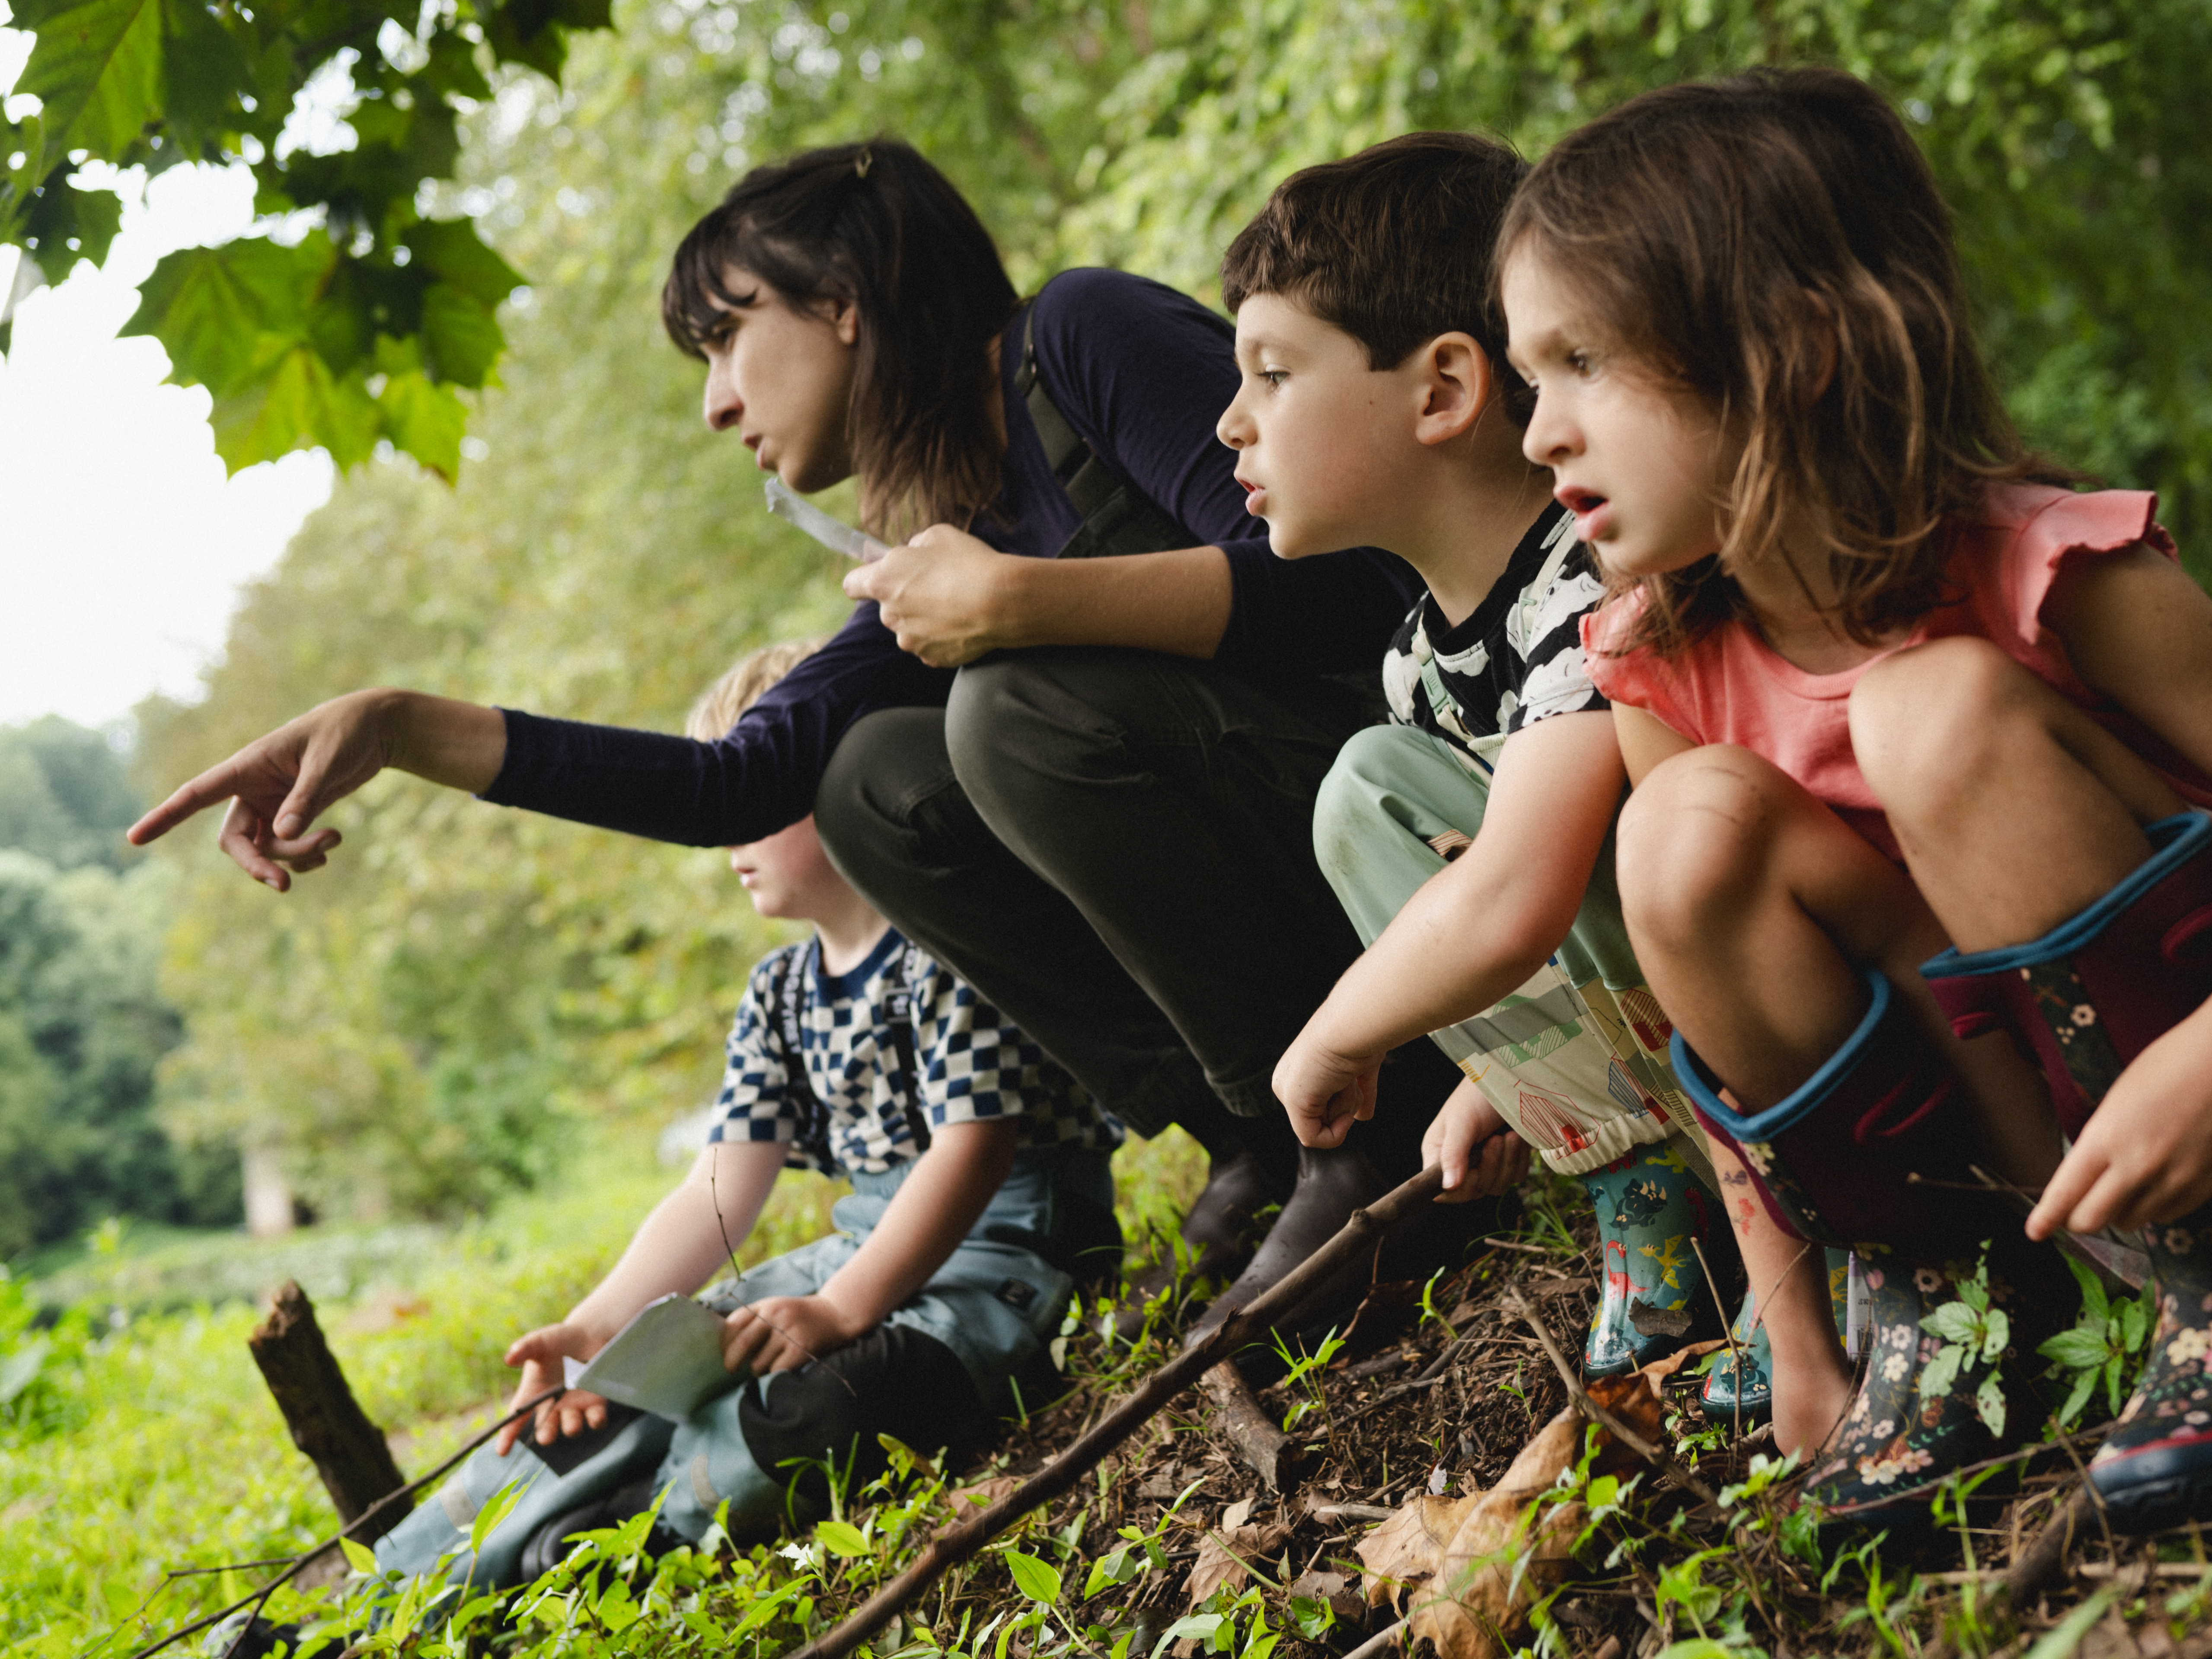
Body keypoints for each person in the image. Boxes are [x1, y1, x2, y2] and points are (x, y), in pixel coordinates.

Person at [128, 139, 1485, 1320]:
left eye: (725, 337)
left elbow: (1356, 591)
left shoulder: (1077, 341)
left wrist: (1023, 602)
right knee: (871, 783)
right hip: (1286, 877)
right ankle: (1246, 1126)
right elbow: (738, 784)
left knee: (1004, 712)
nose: (716, 399)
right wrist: (402, 726)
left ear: (841, 304)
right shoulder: (953, 520)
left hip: (1410, 820)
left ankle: (1372, 1129)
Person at [1497, 68, 2212, 1529]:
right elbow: (1715, 1022)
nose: (1537, 434)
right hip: (2029, 1165)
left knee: (1921, 708)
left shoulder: (2047, 574)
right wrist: (1798, 1333)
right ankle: (1957, 1315)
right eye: (1528, 378)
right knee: (1674, 839)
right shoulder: (1655, 661)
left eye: (1583, 364)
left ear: (1791, 349)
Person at [1213, 130, 1797, 1404]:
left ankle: (1785, 1220)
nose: (1230, 423)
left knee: (1420, 815)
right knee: (1371, 794)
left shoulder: (1592, 583)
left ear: (1441, 392)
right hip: (1658, 1020)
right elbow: (1513, 903)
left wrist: (1336, 1034)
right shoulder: (1418, 665)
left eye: (1272, 374)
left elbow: (1525, 892)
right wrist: (1514, 1078)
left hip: (1773, 1015)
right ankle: (1643, 1195)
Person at [368, 640, 1123, 1587]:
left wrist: (844, 1310)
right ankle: (391, 1588)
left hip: (1002, 1264)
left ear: (843, 783)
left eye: (754, 801)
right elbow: (720, 1183)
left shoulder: (950, 941)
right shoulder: (781, 991)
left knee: (836, 1399)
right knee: (617, 1392)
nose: (729, 837)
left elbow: (974, 1149)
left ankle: (634, 1538)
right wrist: (597, 1329)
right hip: (852, 1258)